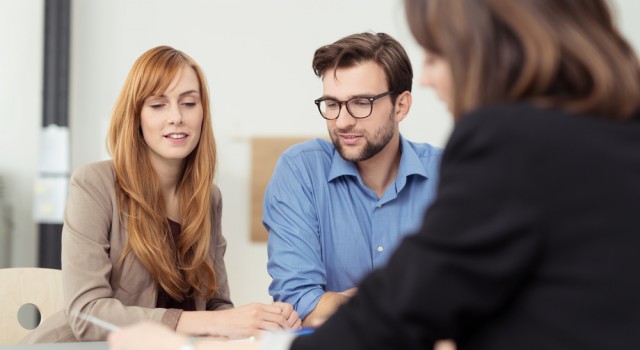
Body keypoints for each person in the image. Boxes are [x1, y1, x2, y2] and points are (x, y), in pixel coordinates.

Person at [109, 0, 640, 349]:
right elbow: (309, 301)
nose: (432, 74)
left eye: (439, 53)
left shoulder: (502, 145)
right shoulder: (617, 132)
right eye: (331, 104)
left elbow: (407, 306)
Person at [23, 45, 300, 343]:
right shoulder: (93, 184)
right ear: (136, 116)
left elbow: (215, 305)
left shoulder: (208, 198)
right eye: (158, 105)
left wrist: (261, 323)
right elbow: (87, 314)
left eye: (189, 103)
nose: (176, 117)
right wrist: (219, 321)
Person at [264, 32, 442, 326]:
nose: (343, 121)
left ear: (401, 106)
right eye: (332, 104)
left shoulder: (446, 175)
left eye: (361, 103)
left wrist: (340, 303)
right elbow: (298, 303)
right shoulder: (300, 171)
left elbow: (473, 294)